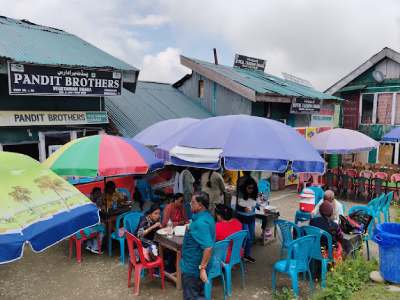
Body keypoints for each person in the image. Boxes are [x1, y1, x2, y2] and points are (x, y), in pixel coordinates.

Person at [181, 192, 215, 300]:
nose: (190, 203)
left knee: (192, 296)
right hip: (195, 265)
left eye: (193, 202)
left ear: (200, 205)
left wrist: (202, 268)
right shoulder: (207, 216)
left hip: (193, 268)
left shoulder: (200, 223)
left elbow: (208, 247)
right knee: (199, 294)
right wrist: (191, 226)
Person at [236, 179, 258, 263]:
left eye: (252, 188)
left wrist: (257, 205)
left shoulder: (253, 194)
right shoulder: (239, 195)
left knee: (251, 238)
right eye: (249, 188)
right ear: (245, 187)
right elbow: (233, 206)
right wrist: (242, 208)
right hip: (243, 219)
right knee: (247, 237)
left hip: (251, 218)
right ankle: (240, 254)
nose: (251, 190)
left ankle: (247, 255)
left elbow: (255, 204)